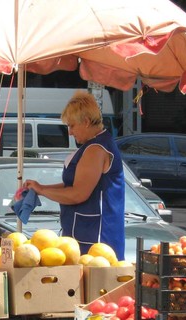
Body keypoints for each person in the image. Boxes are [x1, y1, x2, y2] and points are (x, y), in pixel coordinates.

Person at [24, 91, 126, 260]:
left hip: (96, 237)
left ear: (85, 122)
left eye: (71, 126)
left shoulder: (96, 149)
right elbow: (71, 185)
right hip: (86, 234)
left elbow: (78, 193)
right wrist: (40, 188)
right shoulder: (95, 145)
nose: (70, 132)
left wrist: (42, 189)